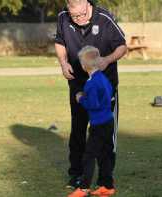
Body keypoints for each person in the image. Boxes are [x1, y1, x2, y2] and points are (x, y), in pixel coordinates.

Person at [54, 0, 127, 188]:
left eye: (81, 15)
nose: (77, 19)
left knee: (104, 136)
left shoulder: (104, 19)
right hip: (78, 84)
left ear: (87, 4)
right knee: (78, 132)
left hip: (105, 87)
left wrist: (107, 60)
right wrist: (63, 63)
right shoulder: (63, 17)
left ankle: (105, 180)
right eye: (74, 16)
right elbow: (60, 42)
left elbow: (122, 46)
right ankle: (77, 176)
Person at [68, 46, 116, 197]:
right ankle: (107, 186)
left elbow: (93, 104)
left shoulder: (92, 83)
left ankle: (83, 188)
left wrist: (81, 98)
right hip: (108, 122)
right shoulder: (102, 78)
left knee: (89, 156)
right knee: (104, 154)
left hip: (99, 125)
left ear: (84, 66)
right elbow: (109, 95)